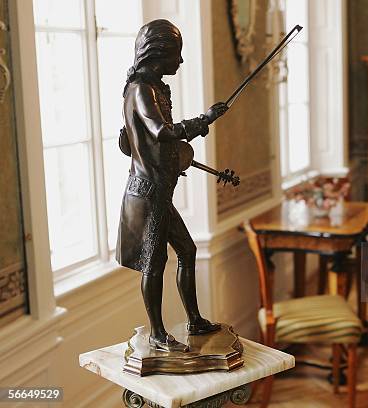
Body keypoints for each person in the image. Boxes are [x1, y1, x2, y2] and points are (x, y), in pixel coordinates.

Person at [116, 19, 228, 352]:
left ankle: (194, 319)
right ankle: (156, 333)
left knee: (188, 251)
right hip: (149, 195)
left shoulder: (152, 87)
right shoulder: (142, 89)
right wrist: (203, 120)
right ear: (158, 53)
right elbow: (161, 131)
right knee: (154, 263)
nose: (180, 62)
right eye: (176, 54)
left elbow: (130, 142)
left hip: (159, 191)